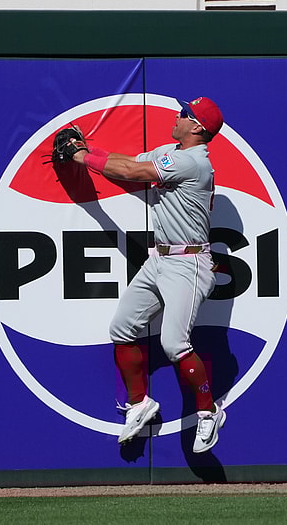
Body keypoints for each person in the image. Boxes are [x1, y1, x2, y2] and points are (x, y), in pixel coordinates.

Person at [72, 96, 226, 453]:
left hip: (188, 262)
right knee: (122, 328)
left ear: (197, 127)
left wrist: (81, 157)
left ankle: (208, 410)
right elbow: (128, 162)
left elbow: (131, 174)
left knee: (174, 344)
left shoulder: (193, 162)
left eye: (184, 114)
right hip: (159, 258)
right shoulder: (172, 151)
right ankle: (140, 403)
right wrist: (88, 147)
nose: (178, 115)